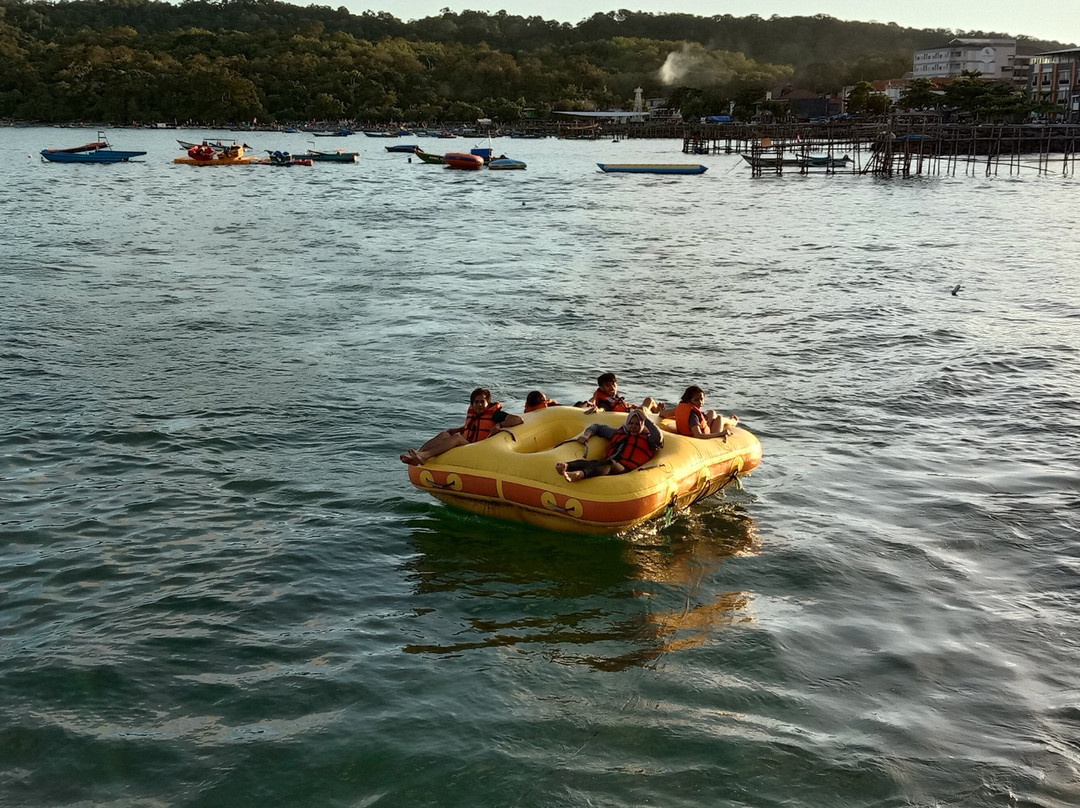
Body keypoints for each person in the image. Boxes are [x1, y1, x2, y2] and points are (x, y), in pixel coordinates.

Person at [400, 388, 523, 466]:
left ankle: (425, 455)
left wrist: (499, 424)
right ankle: (417, 456)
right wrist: (460, 429)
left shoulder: (495, 414)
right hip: (469, 443)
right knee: (445, 434)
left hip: (479, 447)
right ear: (472, 404)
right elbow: (473, 428)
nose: (479, 404)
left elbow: (518, 419)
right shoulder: (474, 414)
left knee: (457, 438)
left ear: (488, 403)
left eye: (482, 401)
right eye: (476, 402)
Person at [555, 409, 663, 482]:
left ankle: (580, 475)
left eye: (637, 424)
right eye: (631, 423)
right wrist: (586, 435)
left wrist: (646, 419)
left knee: (610, 463)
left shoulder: (649, 439)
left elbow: (658, 436)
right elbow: (597, 427)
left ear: (643, 425)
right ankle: (566, 466)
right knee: (593, 462)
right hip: (608, 464)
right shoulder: (618, 433)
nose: (633, 427)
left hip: (626, 469)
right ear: (627, 423)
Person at [670, 385, 738, 441]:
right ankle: (733, 421)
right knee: (720, 418)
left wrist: (660, 410)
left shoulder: (682, 407)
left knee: (712, 412)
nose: (700, 402)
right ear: (689, 400)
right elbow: (698, 435)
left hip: (694, 430)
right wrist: (721, 434)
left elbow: (663, 414)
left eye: (701, 399)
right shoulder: (692, 415)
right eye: (696, 400)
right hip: (703, 438)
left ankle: (731, 421)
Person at [589, 372, 662, 413]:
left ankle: (657, 411)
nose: (612, 387)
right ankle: (656, 413)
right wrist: (597, 410)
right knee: (645, 405)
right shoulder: (604, 402)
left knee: (649, 400)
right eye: (608, 385)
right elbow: (602, 408)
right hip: (632, 417)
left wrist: (630, 406)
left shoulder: (612, 396)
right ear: (601, 388)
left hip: (631, 411)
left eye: (614, 384)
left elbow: (620, 405)